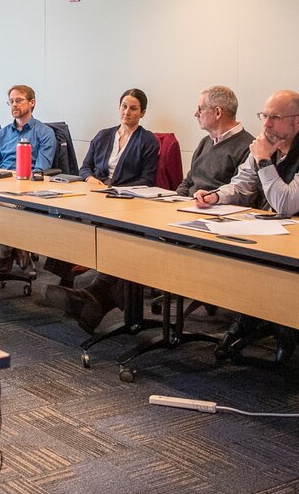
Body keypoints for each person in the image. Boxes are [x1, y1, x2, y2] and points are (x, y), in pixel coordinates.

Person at [45, 86, 254, 332]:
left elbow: (243, 194)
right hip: (185, 211)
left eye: (200, 109)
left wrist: (203, 200)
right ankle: (96, 300)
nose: (195, 114)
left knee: (132, 236)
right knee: (123, 230)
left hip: (214, 222)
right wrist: (176, 201)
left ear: (217, 112)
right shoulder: (206, 142)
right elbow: (188, 181)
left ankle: (95, 297)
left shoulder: (247, 146)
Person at [194, 89, 299, 362]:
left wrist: (263, 160)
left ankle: (260, 321)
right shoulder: (267, 144)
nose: (266, 125)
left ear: (298, 121)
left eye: (275, 118)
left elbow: (285, 204)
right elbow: (242, 184)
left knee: (247, 258)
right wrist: (216, 196)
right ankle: (253, 318)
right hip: (269, 235)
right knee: (216, 247)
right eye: (264, 116)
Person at [42, 88, 160, 288]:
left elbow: (147, 179)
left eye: (133, 108)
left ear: (143, 113)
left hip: (124, 200)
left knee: (105, 227)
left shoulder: (148, 140)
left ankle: (95, 283)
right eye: (124, 106)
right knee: (70, 219)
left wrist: (115, 189)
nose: (127, 112)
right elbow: (85, 167)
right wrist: (90, 180)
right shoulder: (104, 135)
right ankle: (66, 280)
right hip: (95, 193)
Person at [0, 85, 56, 273]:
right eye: (11, 101)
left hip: (28, 187)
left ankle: (4, 254)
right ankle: (16, 246)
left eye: (19, 100)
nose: (14, 105)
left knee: (4, 207)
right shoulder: (2, 134)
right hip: (0, 184)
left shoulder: (44, 133)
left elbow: (41, 167)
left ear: (32, 103)